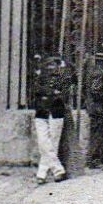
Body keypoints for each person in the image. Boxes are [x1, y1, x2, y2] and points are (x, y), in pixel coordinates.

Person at [30, 53, 72, 185]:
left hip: (56, 112)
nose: (50, 68)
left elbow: (64, 95)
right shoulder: (40, 78)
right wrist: (52, 92)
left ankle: (41, 173)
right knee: (43, 142)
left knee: (53, 142)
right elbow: (35, 90)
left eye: (53, 65)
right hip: (41, 112)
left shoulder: (63, 79)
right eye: (48, 65)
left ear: (58, 66)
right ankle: (58, 170)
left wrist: (47, 94)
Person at [85, 43, 103, 169]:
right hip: (97, 108)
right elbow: (96, 91)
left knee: (100, 132)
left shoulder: (93, 72)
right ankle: (92, 159)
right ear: (101, 62)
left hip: (95, 107)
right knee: (97, 133)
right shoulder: (98, 74)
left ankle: (100, 157)